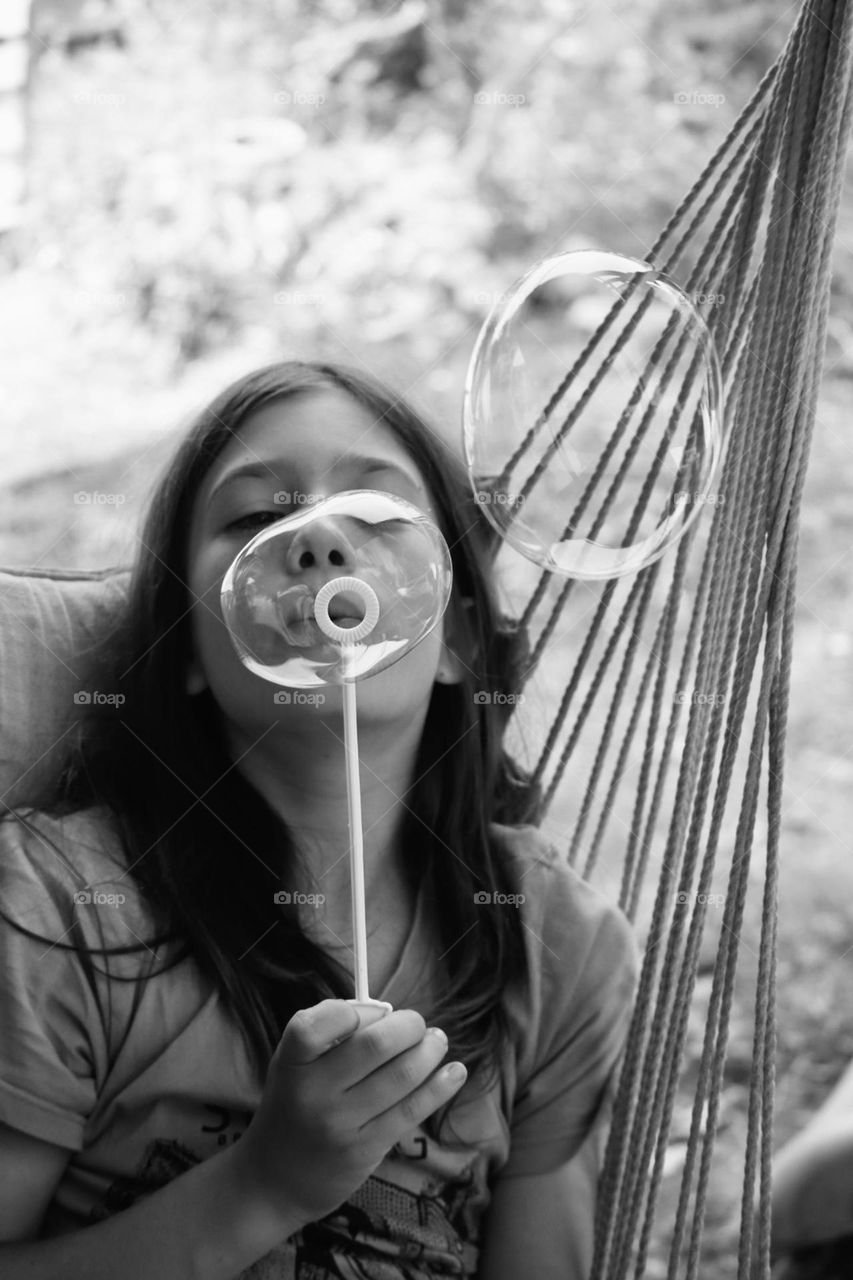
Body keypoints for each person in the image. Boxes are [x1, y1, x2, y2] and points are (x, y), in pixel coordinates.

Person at [0, 360, 638, 1279]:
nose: (318, 541)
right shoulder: (57, 912)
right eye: (258, 517)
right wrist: (263, 1185)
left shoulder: (559, 949)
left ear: (456, 639)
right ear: (187, 647)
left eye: (376, 513)